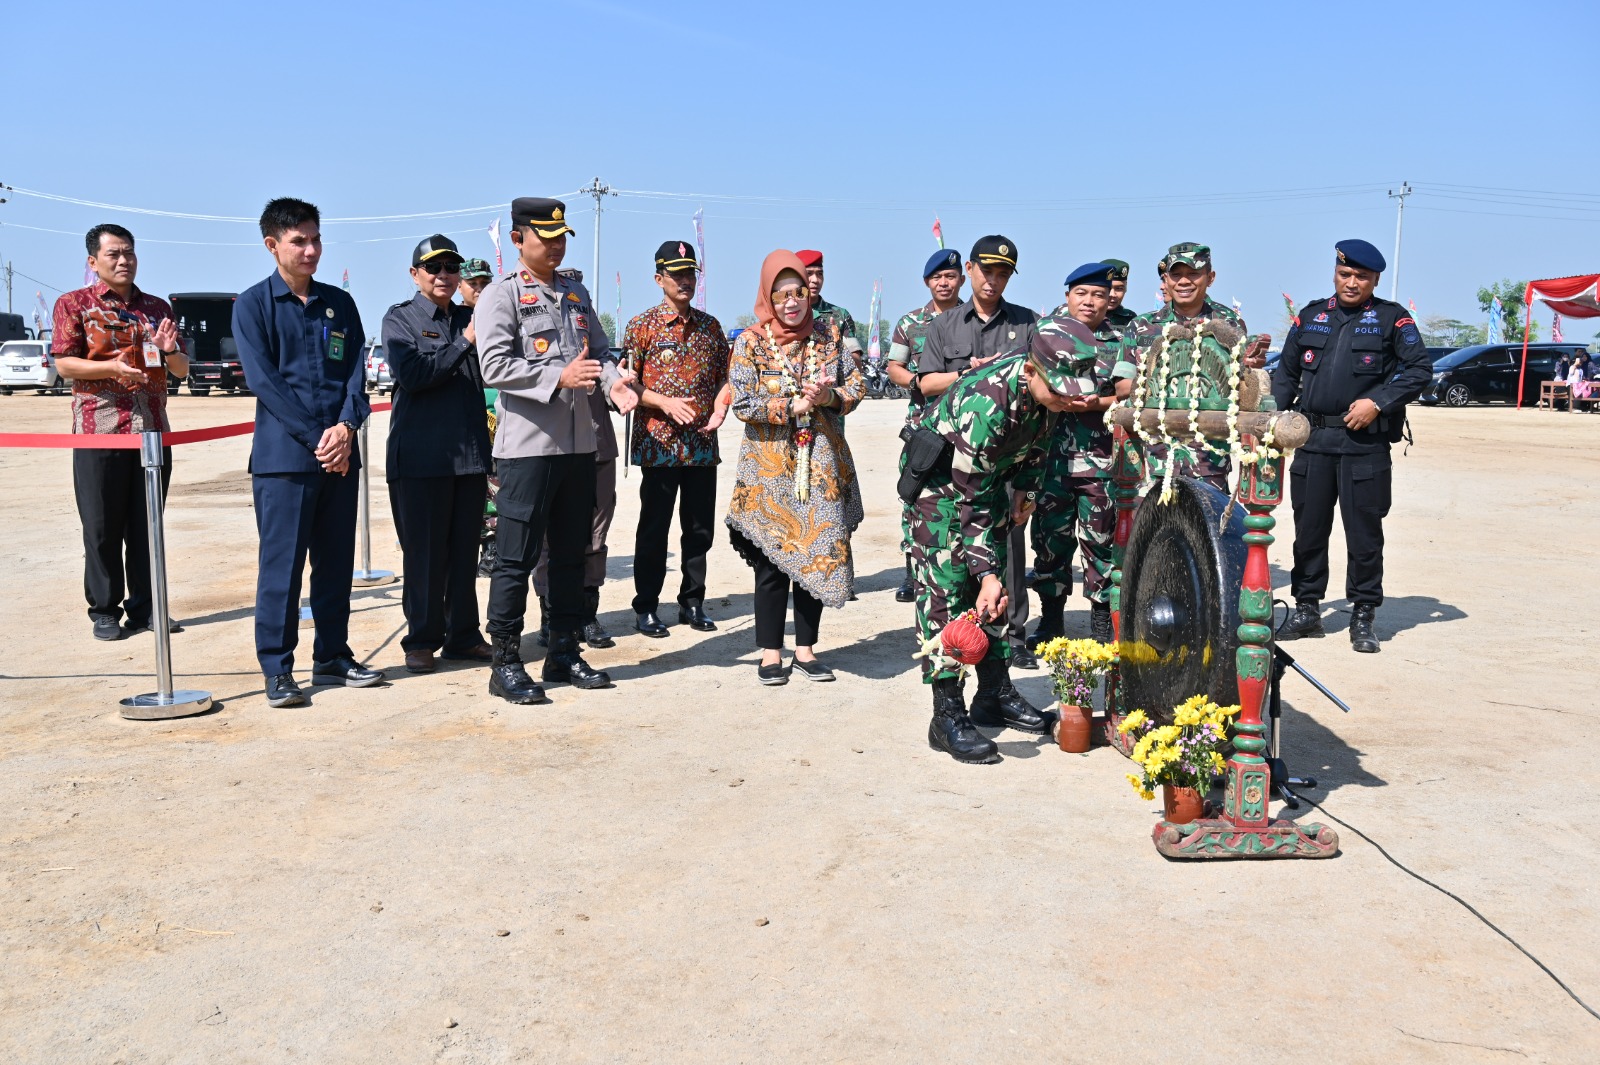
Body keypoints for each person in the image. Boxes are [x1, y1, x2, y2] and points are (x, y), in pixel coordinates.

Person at [475, 197, 639, 704]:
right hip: (528, 449)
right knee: (515, 558)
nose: (556, 245)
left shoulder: (574, 290)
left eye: (561, 236)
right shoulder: (500, 296)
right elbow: (494, 366)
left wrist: (615, 384)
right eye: (545, 237)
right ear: (520, 238)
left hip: (578, 446)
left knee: (571, 553)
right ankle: (504, 661)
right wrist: (556, 376)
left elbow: (600, 352)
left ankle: (564, 649)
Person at [904, 330, 1091, 763]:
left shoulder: (1048, 389)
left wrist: (1026, 491)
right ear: (1030, 371)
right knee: (948, 594)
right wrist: (984, 574)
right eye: (1061, 393)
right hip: (942, 490)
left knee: (996, 593)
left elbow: (1041, 438)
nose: (1068, 401)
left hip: (986, 485)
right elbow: (970, 500)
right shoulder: (985, 405)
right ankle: (945, 714)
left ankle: (992, 694)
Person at [234, 198, 382, 707]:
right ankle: (277, 668)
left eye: (316, 239)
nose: (311, 249)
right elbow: (265, 384)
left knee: (337, 564)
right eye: (299, 241)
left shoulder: (340, 304)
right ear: (272, 245)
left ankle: (333, 656)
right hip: (285, 464)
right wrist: (319, 438)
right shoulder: (252, 305)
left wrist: (345, 427)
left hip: (340, 457)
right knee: (282, 567)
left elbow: (356, 376)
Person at [1272, 239, 1432, 654]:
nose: (1352, 282)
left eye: (1362, 276)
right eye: (1346, 274)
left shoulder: (1392, 320)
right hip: (1314, 441)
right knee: (1308, 531)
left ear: (1374, 279)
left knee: (1364, 536)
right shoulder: (1311, 316)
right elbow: (1286, 374)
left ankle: (1363, 614)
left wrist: (1378, 403)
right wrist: (1271, 419)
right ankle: (1307, 609)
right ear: (1335, 273)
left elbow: (1419, 369)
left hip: (1364, 445)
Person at [725, 251, 864, 685]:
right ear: (768, 295)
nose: (792, 302)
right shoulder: (750, 342)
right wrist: (790, 405)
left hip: (820, 465)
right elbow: (743, 403)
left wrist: (828, 398)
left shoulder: (830, 334)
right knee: (772, 560)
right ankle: (771, 653)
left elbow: (856, 384)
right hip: (768, 469)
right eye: (782, 294)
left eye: (799, 292)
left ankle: (806, 649)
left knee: (817, 554)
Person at [51, 223, 190, 642]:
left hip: (151, 431)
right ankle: (105, 609)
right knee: (101, 524)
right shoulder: (74, 304)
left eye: (129, 252)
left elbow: (181, 369)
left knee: (147, 526)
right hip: (102, 430)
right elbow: (64, 364)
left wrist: (169, 351)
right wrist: (111, 368)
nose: (124, 260)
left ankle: (146, 608)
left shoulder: (156, 307)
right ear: (93, 262)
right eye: (113, 254)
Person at [916, 235, 1040, 668]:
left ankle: (1012, 640)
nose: (993, 280)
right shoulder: (945, 325)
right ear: (969, 269)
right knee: (953, 559)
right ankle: (954, 656)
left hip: (1005, 457)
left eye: (1003, 273)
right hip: (952, 460)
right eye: (987, 270)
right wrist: (970, 378)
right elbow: (925, 383)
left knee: (1007, 548)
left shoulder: (1027, 324)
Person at [381, 235, 493, 674]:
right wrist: (466, 340)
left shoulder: (472, 315)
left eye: (451, 268)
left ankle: (464, 636)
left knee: (465, 553)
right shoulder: (401, 320)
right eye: (434, 267)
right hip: (421, 460)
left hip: (469, 457)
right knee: (425, 556)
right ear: (416, 274)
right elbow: (414, 374)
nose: (444, 275)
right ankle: (423, 638)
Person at [625, 240, 731, 637]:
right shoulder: (641, 327)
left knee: (699, 529)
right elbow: (626, 386)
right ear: (659, 279)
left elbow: (726, 376)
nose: (686, 281)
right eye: (677, 274)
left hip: (702, 446)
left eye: (691, 273)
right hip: (660, 447)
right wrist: (664, 402)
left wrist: (721, 404)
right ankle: (646, 606)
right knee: (654, 528)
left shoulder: (710, 326)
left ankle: (692, 602)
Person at [1028, 263, 1136, 647]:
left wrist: (1096, 403)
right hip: (1050, 459)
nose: (1089, 302)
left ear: (1110, 299)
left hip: (1101, 459)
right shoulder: (1044, 332)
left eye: (1099, 295)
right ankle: (1051, 620)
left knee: (1103, 544)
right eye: (1082, 294)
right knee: (1048, 542)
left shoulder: (1124, 336)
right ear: (1067, 295)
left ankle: (1101, 624)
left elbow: (1128, 392)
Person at [1118, 242, 1265, 492]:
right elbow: (1122, 386)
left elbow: (1239, 388)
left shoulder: (1229, 322)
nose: (1184, 282)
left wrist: (1249, 369)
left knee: (1208, 528)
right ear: (1166, 279)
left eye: (1193, 274)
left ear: (1210, 277)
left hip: (1209, 459)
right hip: (1155, 457)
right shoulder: (1141, 326)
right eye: (1176, 275)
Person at [885, 248, 964, 603]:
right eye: (937, 277)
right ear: (927, 282)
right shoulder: (909, 323)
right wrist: (918, 383)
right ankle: (911, 572)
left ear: (961, 278)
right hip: (924, 428)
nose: (944, 282)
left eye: (950, 276)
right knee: (914, 496)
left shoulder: (973, 318)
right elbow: (894, 369)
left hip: (967, 427)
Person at [795, 249, 861, 358]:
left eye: (820, 274)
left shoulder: (840, 315)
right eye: (809, 273)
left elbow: (855, 357)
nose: (815, 280)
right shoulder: (786, 313)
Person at [1100, 258, 1136, 337]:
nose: (1112, 294)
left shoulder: (1131, 318)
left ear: (1126, 289)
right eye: (1108, 288)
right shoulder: (1084, 314)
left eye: (1119, 288)